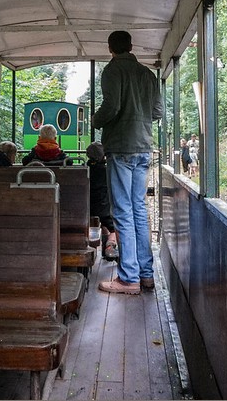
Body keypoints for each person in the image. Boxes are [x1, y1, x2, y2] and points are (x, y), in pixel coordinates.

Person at [91, 31, 163, 295]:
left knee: (122, 212)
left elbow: (111, 107)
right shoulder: (147, 75)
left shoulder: (112, 71)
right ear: (131, 47)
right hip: (143, 147)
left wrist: (96, 120)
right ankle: (146, 275)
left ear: (110, 48)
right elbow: (157, 112)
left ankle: (128, 278)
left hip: (121, 148)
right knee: (139, 211)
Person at [86, 141, 118, 261]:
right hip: (104, 209)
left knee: (102, 224)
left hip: (87, 208)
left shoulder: (86, 170)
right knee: (114, 227)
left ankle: (106, 247)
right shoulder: (107, 171)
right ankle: (110, 245)